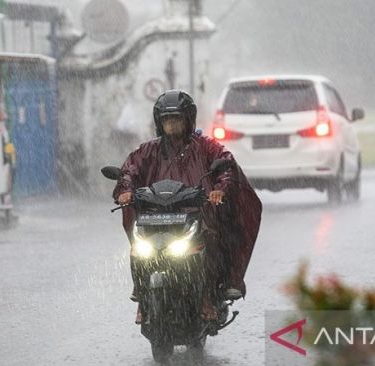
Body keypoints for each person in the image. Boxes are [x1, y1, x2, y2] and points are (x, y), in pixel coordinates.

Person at [112, 90, 262, 322]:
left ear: (188, 119)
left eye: (176, 119)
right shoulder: (148, 150)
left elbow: (227, 167)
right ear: (159, 122)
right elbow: (130, 169)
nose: (171, 124)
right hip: (155, 216)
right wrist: (125, 190)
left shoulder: (207, 147)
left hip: (196, 216)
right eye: (167, 119)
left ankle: (207, 298)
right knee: (138, 247)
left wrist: (219, 189)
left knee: (211, 239)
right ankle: (142, 295)